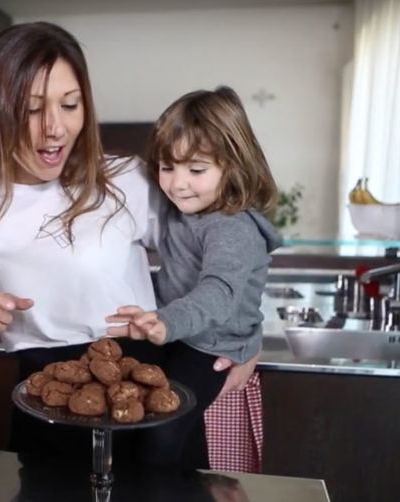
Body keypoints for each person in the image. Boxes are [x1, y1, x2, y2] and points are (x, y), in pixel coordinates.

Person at [0, 21, 256, 466]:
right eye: (30, 109)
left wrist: (247, 340)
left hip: (147, 403)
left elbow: (224, 251)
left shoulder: (128, 179)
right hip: (46, 407)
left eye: (70, 105)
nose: (55, 129)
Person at [106, 86, 282, 468]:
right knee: (154, 419)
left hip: (213, 346)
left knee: (164, 427)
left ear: (233, 166)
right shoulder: (187, 207)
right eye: (168, 167)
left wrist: (164, 322)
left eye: (196, 169)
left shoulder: (231, 227)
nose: (178, 183)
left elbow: (218, 292)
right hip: (182, 333)